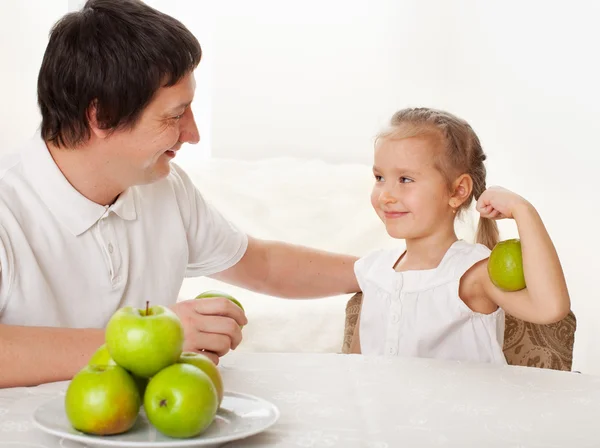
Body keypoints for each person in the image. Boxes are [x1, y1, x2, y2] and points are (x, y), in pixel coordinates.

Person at [0, 0, 359, 388]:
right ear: (101, 116)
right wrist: (155, 340)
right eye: (175, 115)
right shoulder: (9, 206)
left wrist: (387, 272)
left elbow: (261, 264)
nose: (193, 134)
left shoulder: (163, 188)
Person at [350, 107, 570, 363]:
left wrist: (524, 212)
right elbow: (356, 370)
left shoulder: (472, 273)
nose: (385, 195)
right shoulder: (375, 273)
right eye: (379, 177)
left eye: (405, 179)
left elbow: (551, 308)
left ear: (457, 191)